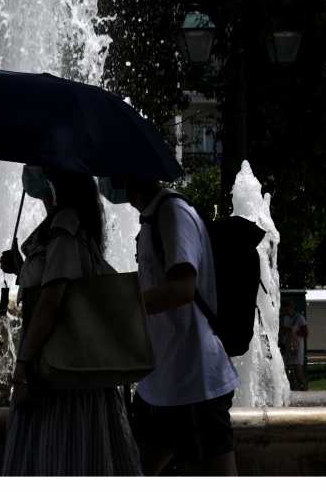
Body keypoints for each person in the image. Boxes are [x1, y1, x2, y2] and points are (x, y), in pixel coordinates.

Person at [0, 166, 142, 476]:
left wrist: (22, 368)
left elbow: (51, 303)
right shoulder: (65, 230)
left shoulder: (65, 231)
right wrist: (21, 268)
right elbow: (54, 284)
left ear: (54, 182)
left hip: (62, 372)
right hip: (65, 366)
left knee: (62, 457)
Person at [102, 175, 240, 476]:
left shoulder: (172, 212)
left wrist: (123, 307)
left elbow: (183, 289)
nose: (105, 178)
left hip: (194, 384)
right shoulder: (152, 218)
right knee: (132, 472)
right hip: (160, 384)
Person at [280, 300, 308, 391]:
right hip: (288, 346)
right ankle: (294, 391)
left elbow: (305, 333)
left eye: (287, 309)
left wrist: (294, 331)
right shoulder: (285, 318)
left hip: (297, 347)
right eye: (285, 310)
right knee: (290, 372)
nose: (286, 311)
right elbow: (284, 332)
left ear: (292, 308)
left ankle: (304, 390)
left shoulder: (300, 318)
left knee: (298, 372)